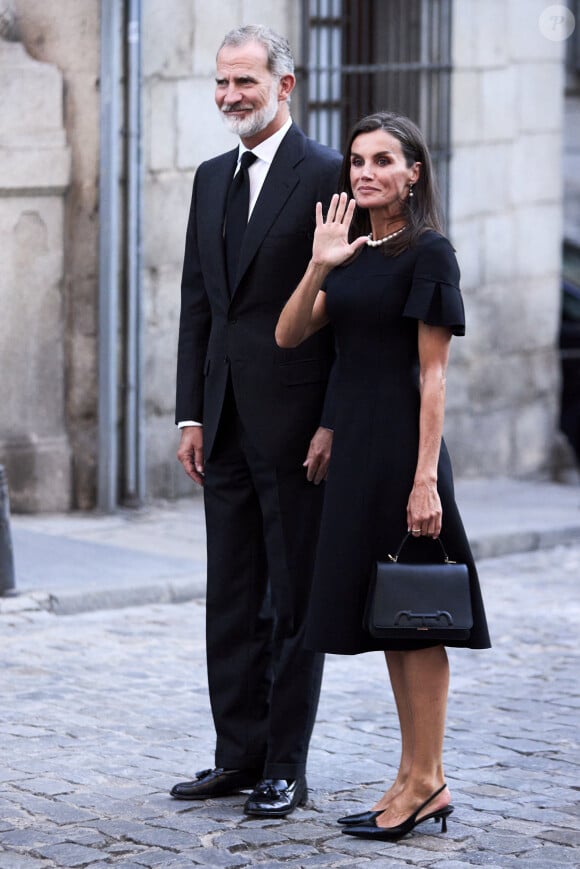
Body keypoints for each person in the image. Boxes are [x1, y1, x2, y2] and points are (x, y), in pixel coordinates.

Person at [275, 111, 491, 840]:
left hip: (404, 454)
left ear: (413, 172)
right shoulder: (358, 252)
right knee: (392, 617)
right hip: (359, 454)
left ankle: (429, 779)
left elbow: (432, 377)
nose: (365, 172)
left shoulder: (430, 253)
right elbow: (292, 333)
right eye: (358, 162)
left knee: (419, 619)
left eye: (383, 161)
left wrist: (425, 478)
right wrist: (319, 263)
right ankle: (408, 775)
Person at [171, 25, 342, 819]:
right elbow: (199, 306)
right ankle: (235, 756)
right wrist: (190, 414)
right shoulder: (209, 178)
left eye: (245, 81)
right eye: (221, 83)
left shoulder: (328, 175)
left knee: (290, 597)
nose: (231, 96)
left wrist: (333, 419)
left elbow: (353, 319)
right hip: (224, 423)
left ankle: (284, 764)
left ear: (286, 85)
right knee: (231, 596)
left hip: (299, 427)